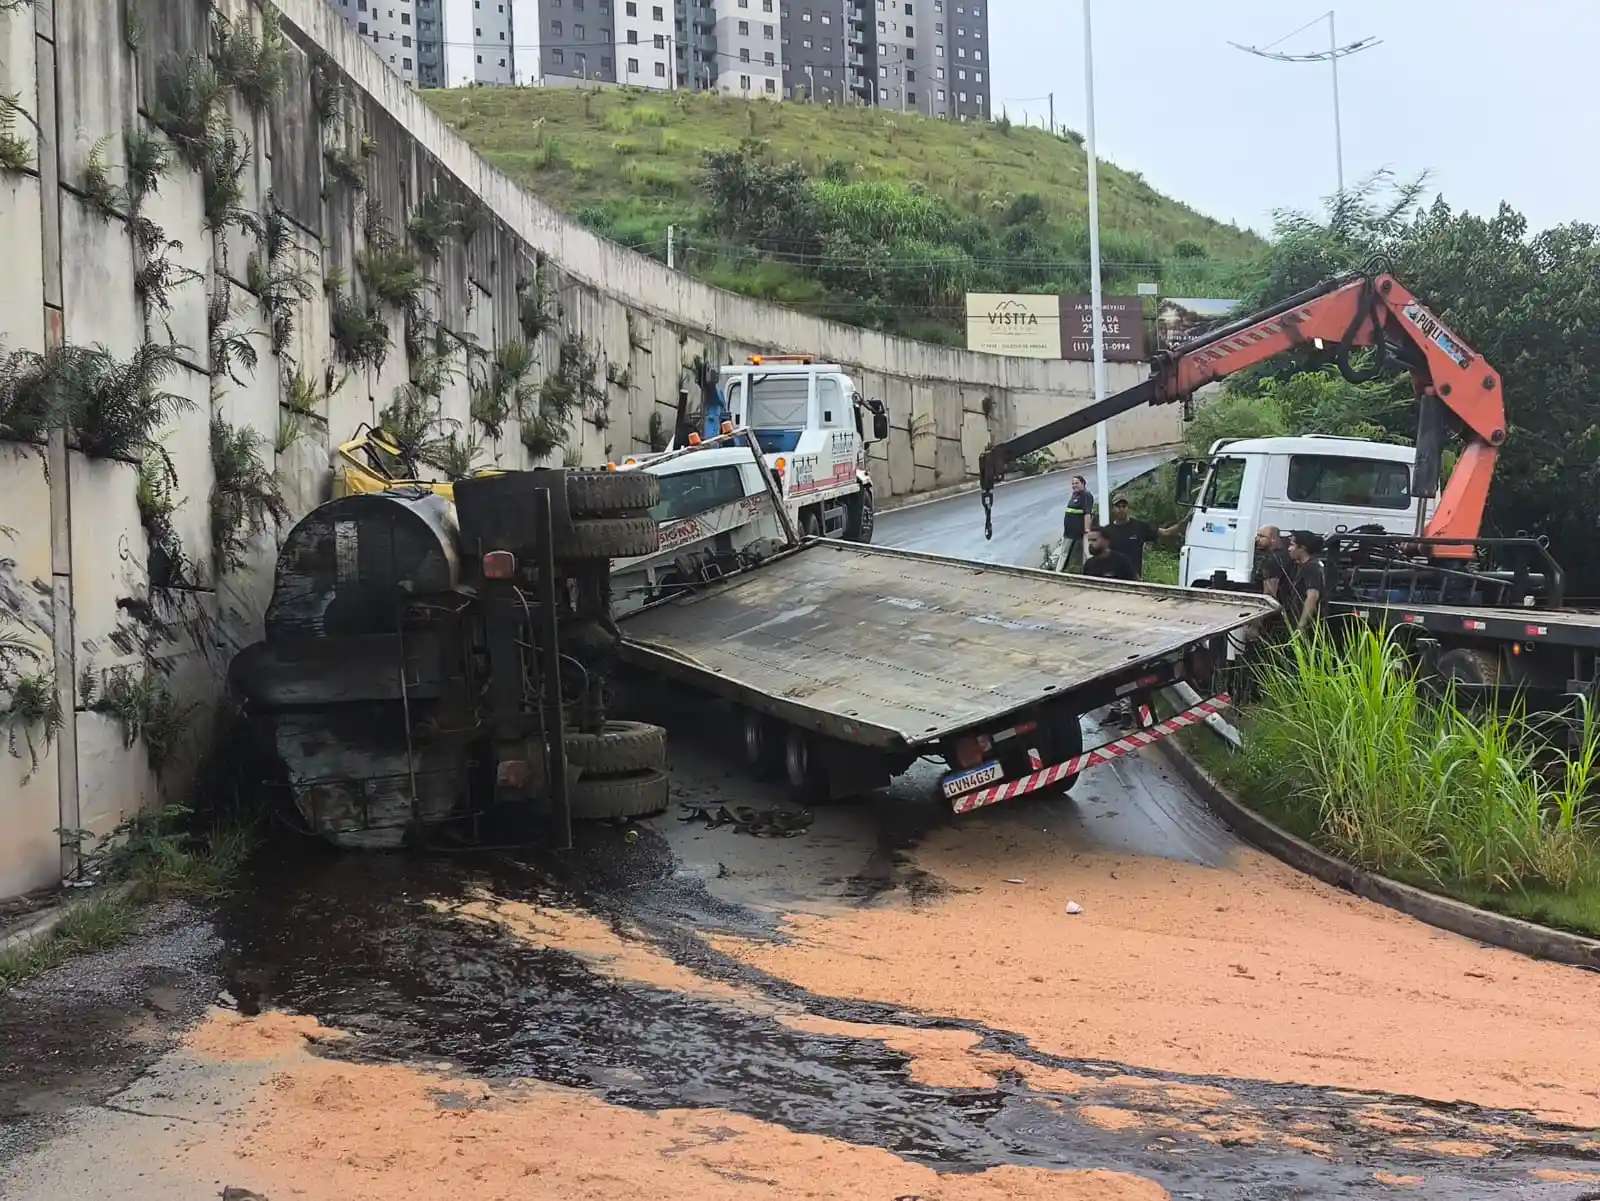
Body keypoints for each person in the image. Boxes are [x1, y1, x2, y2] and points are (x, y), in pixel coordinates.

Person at [1103, 496, 1185, 580]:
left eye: (1124, 506)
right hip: (1112, 580)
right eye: (1118, 506)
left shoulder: (1139, 527)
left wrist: (1185, 522)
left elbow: (1166, 533)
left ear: (1128, 508)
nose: (1121, 509)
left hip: (1134, 579)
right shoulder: (1106, 531)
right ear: (1112, 509)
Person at [1285, 530, 1327, 632]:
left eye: (1292, 545)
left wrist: (1301, 625)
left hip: (1309, 627)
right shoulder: (1302, 566)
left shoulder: (1312, 567)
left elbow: (1312, 596)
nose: (1289, 549)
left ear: (1302, 548)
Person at [1059, 475, 1096, 573]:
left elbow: (1087, 513)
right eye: (1073, 483)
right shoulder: (1074, 495)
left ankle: (1090, 573)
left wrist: (1087, 530)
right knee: (1063, 553)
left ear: (1083, 483)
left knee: (1087, 553)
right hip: (1069, 531)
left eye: (1077, 483)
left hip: (1082, 531)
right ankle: (1057, 572)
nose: (1074, 485)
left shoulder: (1086, 495)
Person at [1250, 525, 1291, 601]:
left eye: (1261, 536)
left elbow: (1270, 594)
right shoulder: (1283, 555)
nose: (1257, 539)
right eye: (1257, 536)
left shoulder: (1272, 560)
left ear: (1273, 538)